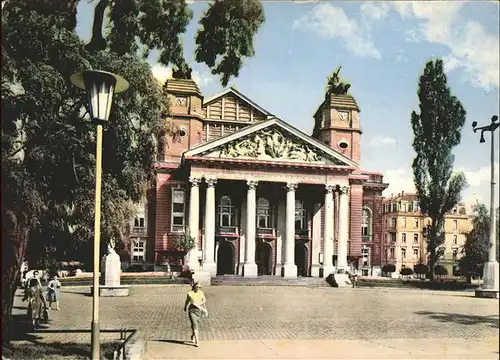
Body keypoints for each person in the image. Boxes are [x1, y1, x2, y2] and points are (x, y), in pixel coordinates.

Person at [183, 282, 207, 347]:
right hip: (192, 311)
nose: (198, 288)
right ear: (194, 286)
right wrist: (185, 307)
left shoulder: (201, 292)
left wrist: (205, 309)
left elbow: (204, 300)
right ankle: (197, 341)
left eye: (199, 287)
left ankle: (193, 335)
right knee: (195, 325)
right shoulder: (190, 293)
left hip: (199, 312)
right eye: (197, 287)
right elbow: (188, 301)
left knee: (195, 325)